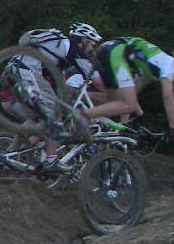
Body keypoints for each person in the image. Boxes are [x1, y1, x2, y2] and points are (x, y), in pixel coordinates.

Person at [6, 22, 104, 169]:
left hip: (14, 70)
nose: (93, 47)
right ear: (84, 40)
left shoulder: (59, 49)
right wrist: (112, 95)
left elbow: (56, 84)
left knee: (35, 117)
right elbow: (95, 79)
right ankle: (51, 159)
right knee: (55, 113)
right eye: (92, 43)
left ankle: (10, 153)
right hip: (27, 72)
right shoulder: (73, 49)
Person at [83, 38, 174, 140]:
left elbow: (132, 95)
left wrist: (139, 115)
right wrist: (173, 127)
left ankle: (77, 96)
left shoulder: (153, 70)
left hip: (108, 49)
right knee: (128, 105)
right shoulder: (169, 67)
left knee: (116, 100)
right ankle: (83, 115)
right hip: (116, 52)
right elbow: (168, 95)